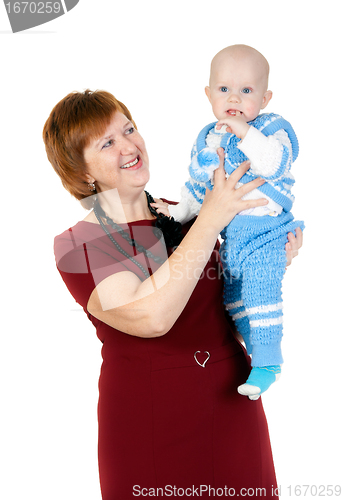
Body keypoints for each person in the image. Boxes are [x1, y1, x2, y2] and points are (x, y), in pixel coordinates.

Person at [44, 89, 302, 499]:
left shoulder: (184, 212)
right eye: (107, 143)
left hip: (231, 407)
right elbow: (151, 317)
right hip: (151, 420)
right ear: (81, 171)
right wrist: (213, 215)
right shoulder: (79, 245)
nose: (129, 146)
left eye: (128, 129)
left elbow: (223, 306)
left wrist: (269, 262)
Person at [154, 45, 304, 400]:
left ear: (265, 97)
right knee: (234, 300)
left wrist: (244, 132)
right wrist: (175, 213)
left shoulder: (271, 129)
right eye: (224, 89)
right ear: (208, 94)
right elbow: (199, 187)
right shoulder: (208, 138)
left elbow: (273, 164)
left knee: (260, 292)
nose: (234, 97)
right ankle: (254, 348)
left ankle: (269, 362)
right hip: (233, 239)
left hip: (268, 231)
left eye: (247, 91)